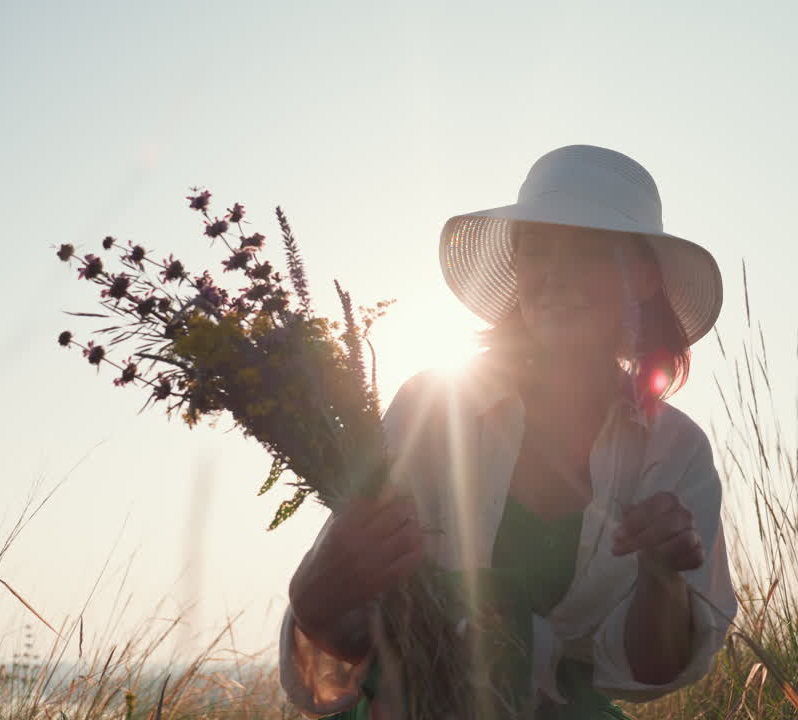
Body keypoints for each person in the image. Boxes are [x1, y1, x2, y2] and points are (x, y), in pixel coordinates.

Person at [280, 145, 737, 719]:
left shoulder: (675, 451)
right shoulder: (433, 408)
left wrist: (662, 576)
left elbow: (651, 669)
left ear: (642, 277)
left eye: (589, 251)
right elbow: (355, 627)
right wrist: (314, 600)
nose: (555, 274)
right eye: (537, 249)